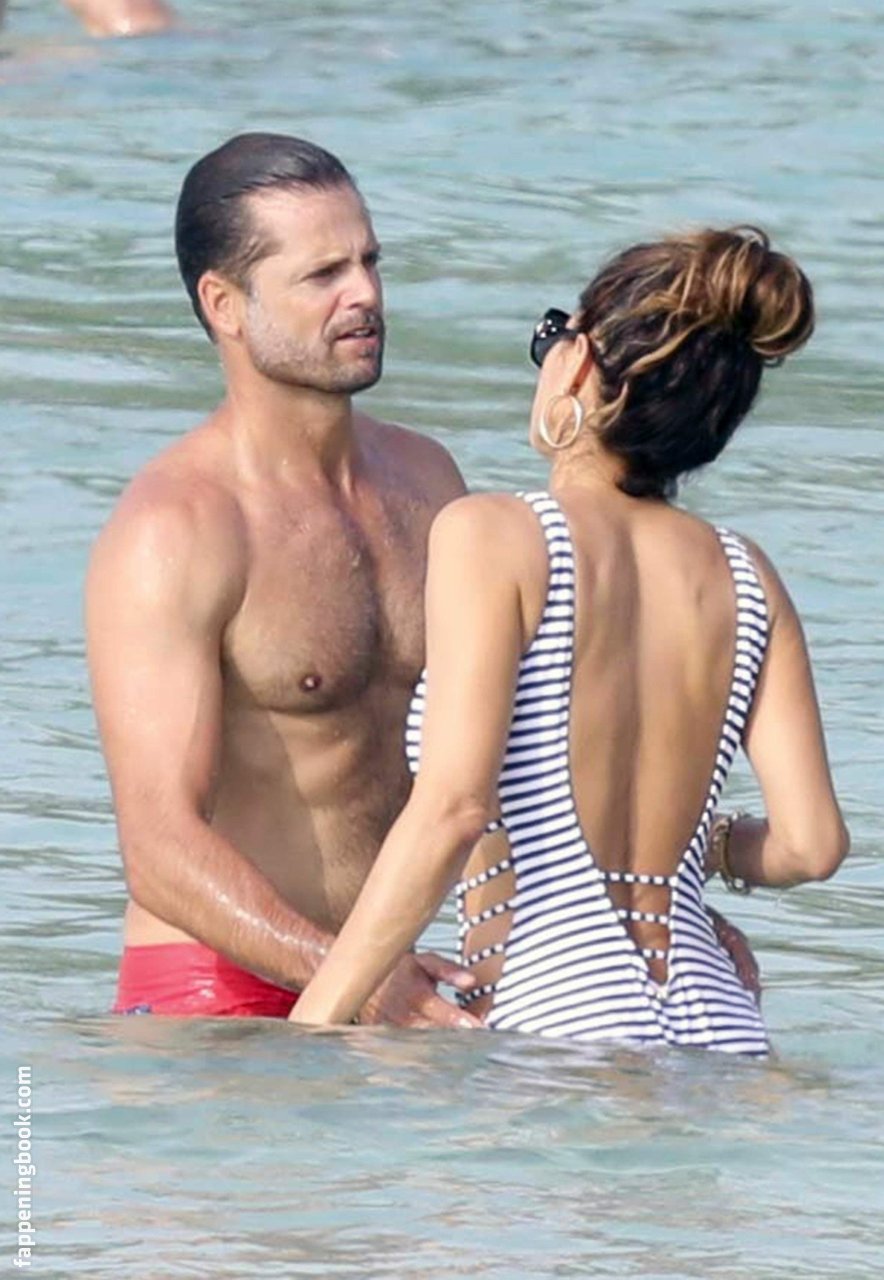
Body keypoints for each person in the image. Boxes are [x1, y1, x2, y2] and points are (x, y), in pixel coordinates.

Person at [294, 226, 850, 1054]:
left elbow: (453, 809)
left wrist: (310, 1025)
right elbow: (812, 844)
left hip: (555, 1013)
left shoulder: (497, 535)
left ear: (582, 366)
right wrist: (699, 848)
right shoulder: (747, 574)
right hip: (720, 1025)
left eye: (552, 336)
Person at [86, 132, 477, 1025]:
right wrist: (355, 976)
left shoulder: (428, 481)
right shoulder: (177, 528)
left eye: (370, 261)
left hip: (387, 983)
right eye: (323, 274)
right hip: (215, 996)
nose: (364, 294)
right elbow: (158, 850)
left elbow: (500, 754)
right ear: (224, 304)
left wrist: (654, 905)